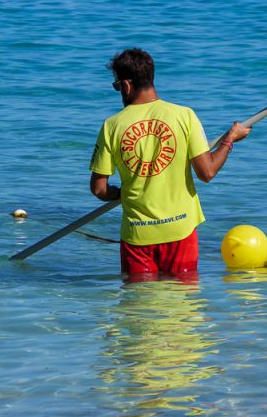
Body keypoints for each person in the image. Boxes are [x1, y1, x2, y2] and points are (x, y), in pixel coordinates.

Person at [89, 48, 250, 278]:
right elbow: (207, 172)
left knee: (139, 306)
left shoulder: (112, 125)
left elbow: (98, 189)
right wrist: (230, 139)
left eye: (116, 87)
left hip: (138, 237)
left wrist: (118, 194)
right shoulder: (184, 115)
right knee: (183, 304)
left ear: (126, 85)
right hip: (180, 231)